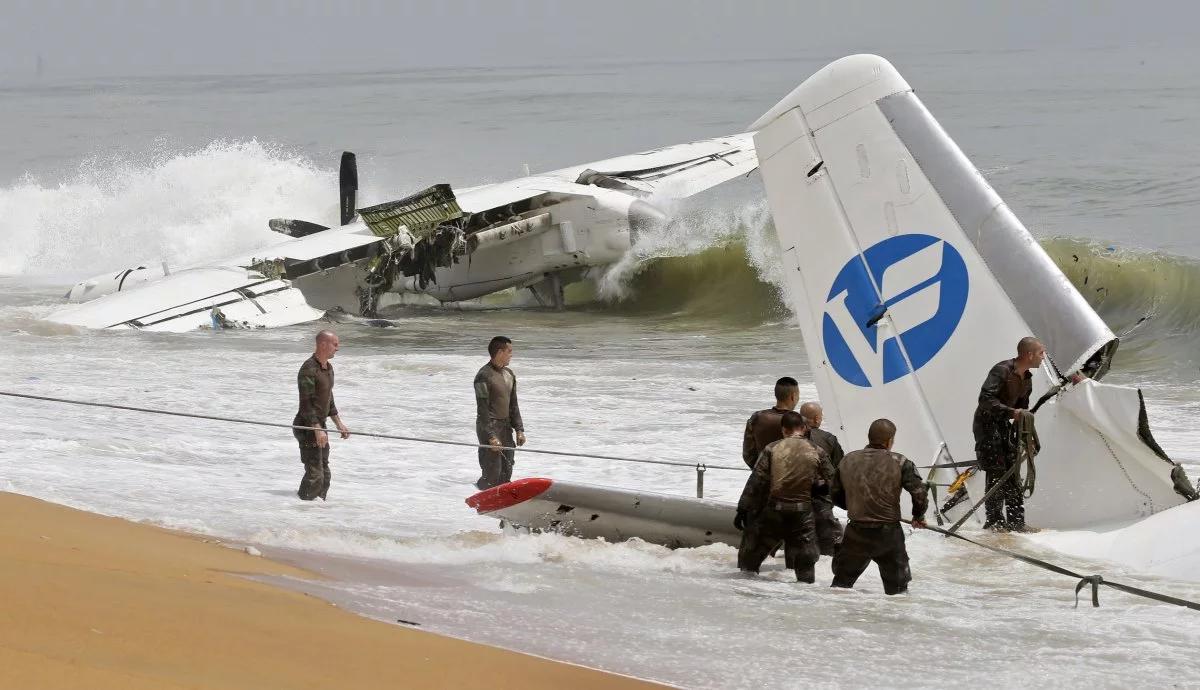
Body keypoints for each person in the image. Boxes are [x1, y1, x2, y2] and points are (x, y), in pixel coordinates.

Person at [735, 411, 834, 583]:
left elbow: (756, 482)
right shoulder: (817, 451)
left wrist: (742, 509)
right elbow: (833, 483)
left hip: (774, 512)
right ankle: (803, 604)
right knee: (805, 569)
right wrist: (820, 490)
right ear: (803, 428)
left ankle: (747, 599)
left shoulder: (772, 449)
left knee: (749, 564)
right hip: (803, 515)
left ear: (783, 430)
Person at [830, 419, 927, 595]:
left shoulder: (848, 460)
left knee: (840, 587)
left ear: (869, 438)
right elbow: (919, 493)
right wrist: (918, 517)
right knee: (898, 592)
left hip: (856, 533)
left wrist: (853, 506)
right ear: (889, 441)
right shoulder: (900, 461)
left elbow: (835, 494)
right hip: (889, 535)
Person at [972, 337, 1044, 532]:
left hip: (1003, 425)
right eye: (1040, 353)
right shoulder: (1002, 370)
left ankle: (1016, 522)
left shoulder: (1027, 379)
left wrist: (1024, 435)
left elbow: (1023, 410)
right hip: (986, 425)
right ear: (1029, 355)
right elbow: (985, 399)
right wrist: (1011, 412)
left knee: (1012, 471)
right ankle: (994, 522)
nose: (1043, 357)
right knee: (996, 471)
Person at [293, 329, 350, 501]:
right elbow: (306, 404)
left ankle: (317, 515)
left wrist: (338, 423)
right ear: (323, 344)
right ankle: (301, 511)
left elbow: (328, 398)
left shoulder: (328, 368)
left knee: (324, 474)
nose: (337, 348)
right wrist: (317, 428)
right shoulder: (308, 369)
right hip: (306, 426)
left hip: (319, 425)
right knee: (315, 474)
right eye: (335, 344)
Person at [473, 336, 526, 490]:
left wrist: (519, 429)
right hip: (489, 426)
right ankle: (477, 500)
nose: (511, 355)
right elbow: (482, 409)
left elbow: (513, 404)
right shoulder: (483, 376)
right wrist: (490, 436)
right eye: (509, 351)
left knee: (507, 469)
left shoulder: (509, 374)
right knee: (492, 471)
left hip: (505, 427)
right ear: (500, 352)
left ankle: (503, 505)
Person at [799, 401, 845, 556]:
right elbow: (839, 471)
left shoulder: (784, 441)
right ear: (817, 418)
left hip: (793, 498)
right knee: (829, 547)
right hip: (821, 500)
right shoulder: (828, 439)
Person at [742, 377, 800, 469]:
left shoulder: (757, 417)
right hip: (790, 479)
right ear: (793, 396)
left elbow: (748, 454)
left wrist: (760, 471)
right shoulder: (799, 422)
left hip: (763, 478)